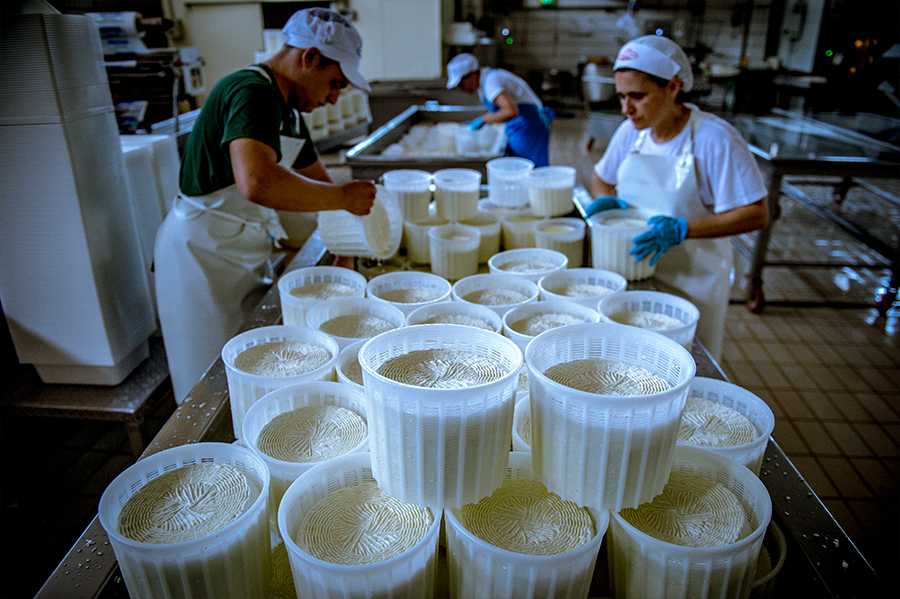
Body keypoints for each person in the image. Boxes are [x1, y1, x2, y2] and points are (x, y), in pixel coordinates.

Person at [155, 8, 375, 403]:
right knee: (206, 381)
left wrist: (347, 250)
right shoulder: (251, 91)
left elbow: (322, 187)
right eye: (335, 83)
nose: (334, 97)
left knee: (249, 370)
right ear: (309, 58)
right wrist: (345, 197)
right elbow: (257, 182)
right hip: (200, 255)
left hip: (241, 248)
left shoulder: (290, 113)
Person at [586, 35, 769, 360]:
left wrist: (682, 229)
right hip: (635, 272)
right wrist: (606, 201)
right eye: (621, 97)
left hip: (693, 280)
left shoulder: (714, 139)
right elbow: (601, 177)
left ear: (672, 87)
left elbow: (756, 213)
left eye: (638, 96)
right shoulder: (631, 131)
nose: (627, 109)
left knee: (685, 361)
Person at [446, 53, 554, 166]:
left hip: (529, 126)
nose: (461, 88)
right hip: (520, 125)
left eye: (461, 84)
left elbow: (510, 111)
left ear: (472, 75)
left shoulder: (491, 81)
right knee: (520, 168)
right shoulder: (484, 82)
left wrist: (483, 119)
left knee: (530, 169)